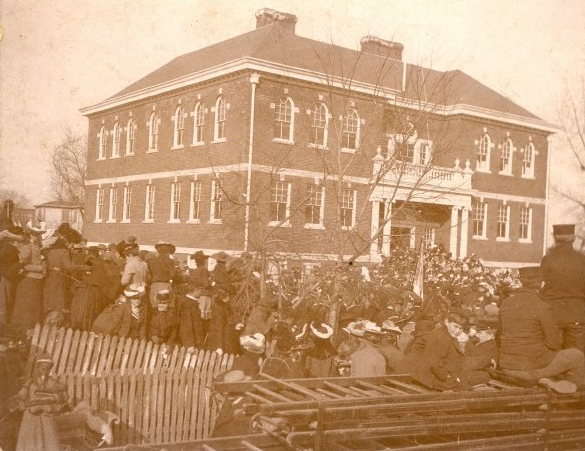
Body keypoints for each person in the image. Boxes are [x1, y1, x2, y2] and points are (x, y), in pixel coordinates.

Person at [498, 266, 585, 392]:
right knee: (576, 356)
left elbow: (499, 336)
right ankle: (571, 400)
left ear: (521, 281)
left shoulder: (505, 303)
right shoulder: (542, 306)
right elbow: (554, 343)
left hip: (507, 368)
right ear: (540, 283)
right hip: (530, 371)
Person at [398, 310, 490, 390]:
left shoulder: (442, 334)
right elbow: (434, 363)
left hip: (428, 376)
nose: (457, 331)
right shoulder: (441, 337)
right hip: (434, 380)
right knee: (485, 376)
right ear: (446, 322)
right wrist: (449, 378)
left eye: (461, 328)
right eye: (455, 326)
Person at [540, 224, 585, 352]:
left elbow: (541, 285)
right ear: (573, 238)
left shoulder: (548, 259)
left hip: (554, 312)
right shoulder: (582, 259)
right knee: (577, 355)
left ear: (555, 238)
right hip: (578, 313)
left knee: (554, 353)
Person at [13, 354, 68, 451]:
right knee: (29, 443)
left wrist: (46, 407)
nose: (45, 372)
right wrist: (24, 404)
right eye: (42, 369)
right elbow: (21, 398)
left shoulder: (54, 384)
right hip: (30, 418)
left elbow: (61, 401)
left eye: (48, 369)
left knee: (49, 442)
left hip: (46, 417)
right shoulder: (30, 383)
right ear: (37, 368)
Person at [10, 221, 46, 332]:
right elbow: (21, 264)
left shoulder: (36, 245)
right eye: (37, 234)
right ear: (31, 234)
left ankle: (29, 332)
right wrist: (40, 268)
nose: (39, 236)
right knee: (26, 309)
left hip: (36, 280)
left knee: (33, 309)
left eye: (39, 234)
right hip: (28, 280)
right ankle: (23, 332)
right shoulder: (26, 246)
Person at [70, 246, 109, 331]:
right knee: (88, 311)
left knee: (80, 311)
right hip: (92, 291)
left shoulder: (87, 262)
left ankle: (78, 328)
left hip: (84, 290)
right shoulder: (101, 263)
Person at [0, 226, 25, 324]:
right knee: (4, 305)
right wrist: (21, 264)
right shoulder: (9, 250)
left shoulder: (7, 247)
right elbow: (7, 269)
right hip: (5, 280)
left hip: (6, 278)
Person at [147, 241, 176, 308]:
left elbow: (148, 275)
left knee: (154, 306)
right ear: (167, 250)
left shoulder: (151, 260)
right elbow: (172, 275)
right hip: (165, 285)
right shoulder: (170, 261)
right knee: (167, 306)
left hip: (154, 285)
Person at [178, 284, 205, 352]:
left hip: (195, 341)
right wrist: (189, 344)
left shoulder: (191, 302)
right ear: (195, 291)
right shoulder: (187, 304)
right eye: (200, 290)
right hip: (192, 344)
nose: (202, 292)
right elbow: (186, 326)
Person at [188, 251, 212, 319]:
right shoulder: (204, 270)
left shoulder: (195, 271)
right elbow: (206, 284)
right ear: (203, 261)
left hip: (195, 294)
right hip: (204, 294)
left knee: (197, 315)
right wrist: (211, 282)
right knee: (204, 316)